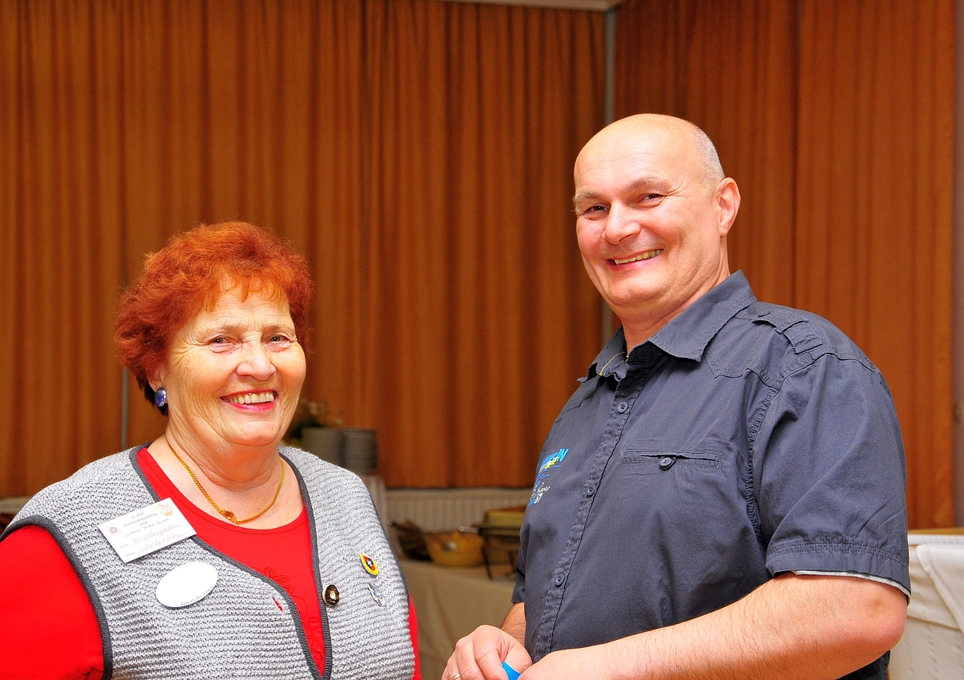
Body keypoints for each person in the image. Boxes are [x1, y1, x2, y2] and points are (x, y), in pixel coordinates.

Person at [444, 115, 909, 680]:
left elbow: (854, 610)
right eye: (594, 208)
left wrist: (608, 669)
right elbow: (541, 600)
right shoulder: (584, 405)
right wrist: (504, 643)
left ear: (724, 206)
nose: (618, 228)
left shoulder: (804, 368)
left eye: (649, 197)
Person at [0, 221, 421, 679]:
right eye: (221, 340)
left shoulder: (345, 495)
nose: (260, 365)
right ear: (157, 369)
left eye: (278, 338)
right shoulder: (67, 535)